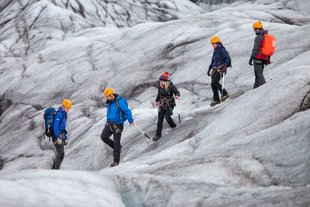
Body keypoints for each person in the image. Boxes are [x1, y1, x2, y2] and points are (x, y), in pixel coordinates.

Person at [100, 87, 134, 167]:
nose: (107, 97)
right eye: (106, 96)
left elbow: (127, 111)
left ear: (112, 94)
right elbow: (109, 113)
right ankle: (117, 148)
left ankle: (116, 161)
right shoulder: (109, 103)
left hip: (118, 125)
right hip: (110, 124)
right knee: (103, 137)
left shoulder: (120, 101)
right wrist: (107, 121)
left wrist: (130, 120)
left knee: (116, 142)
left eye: (108, 96)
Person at [153, 72, 180, 141]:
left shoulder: (170, 85)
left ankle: (173, 126)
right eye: (160, 81)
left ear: (166, 81)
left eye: (162, 81)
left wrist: (177, 95)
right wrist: (157, 101)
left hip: (170, 104)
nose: (161, 82)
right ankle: (158, 135)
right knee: (160, 119)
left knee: (167, 117)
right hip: (162, 104)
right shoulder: (160, 85)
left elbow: (177, 92)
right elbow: (159, 94)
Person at [207, 36, 231, 107]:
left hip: (221, 69)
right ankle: (216, 99)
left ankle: (225, 93)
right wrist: (209, 68)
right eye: (212, 44)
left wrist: (225, 66)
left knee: (214, 82)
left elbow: (227, 58)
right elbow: (213, 61)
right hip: (215, 69)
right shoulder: (215, 51)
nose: (213, 45)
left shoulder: (221, 50)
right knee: (212, 84)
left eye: (214, 44)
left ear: (218, 43)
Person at [52, 99, 72, 169]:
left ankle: (54, 169)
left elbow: (62, 128)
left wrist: (65, 137)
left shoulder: (63, 114)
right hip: (57, 135)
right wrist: (58, 137)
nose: (68, 109)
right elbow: (55, 127)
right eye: (67, 108)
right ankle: (55, 170)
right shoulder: (60, 114)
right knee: (60, 153)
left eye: (69, 108)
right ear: (63, 106)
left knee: (60, 153)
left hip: (61, 135)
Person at [248, 21, 268, 88]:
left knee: (259, 75)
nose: (254, 31)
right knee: (257, 75)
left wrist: (251, 58)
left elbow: (255, 49)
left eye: (254, 30)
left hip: (258, 59)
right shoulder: (265, 36)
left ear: (257, 29)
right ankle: (254, 89)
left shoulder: (258, 37)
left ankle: (265, 88)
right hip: (263, 59)